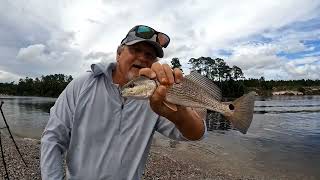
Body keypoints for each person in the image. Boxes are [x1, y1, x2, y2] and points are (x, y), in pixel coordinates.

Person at [40, 25, 207, 180]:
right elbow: (52, 139)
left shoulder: (158, 95)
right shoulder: (82, 85)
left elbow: (195, 134)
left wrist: (179, 113)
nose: (142, 57)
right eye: (136, 50)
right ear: (119, 53)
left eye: (149, 55)